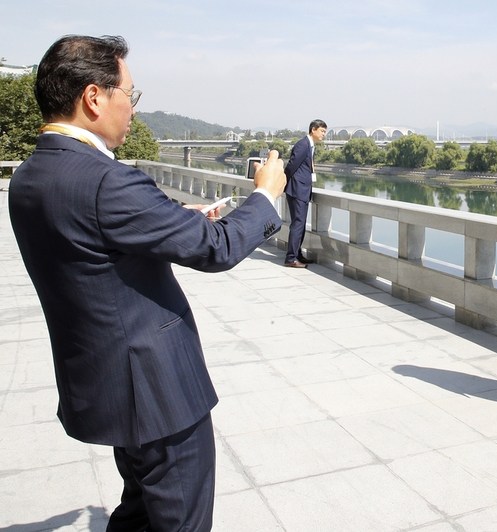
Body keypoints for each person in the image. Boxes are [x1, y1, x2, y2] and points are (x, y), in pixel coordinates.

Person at [8, 35, 286, 530]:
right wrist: (265, 197)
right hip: (158, 393)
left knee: (138, 511)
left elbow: (89, 244)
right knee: (179, 519)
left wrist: (167, 218)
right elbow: (216, 249)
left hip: (112, 385)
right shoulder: (105, 181)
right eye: (129, 95)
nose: (133, 109)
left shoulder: (31, 175)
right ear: (94, 97)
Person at [283, 119, 327, 267]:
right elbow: (291, 166)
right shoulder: (303, 145)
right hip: (297, 190)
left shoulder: (310, 145)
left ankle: (297, 254)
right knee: (298, 224)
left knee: (300, 224)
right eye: (322, 131)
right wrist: (285, 183)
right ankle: (291, 258)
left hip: (302, 190)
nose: (323, 135)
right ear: (313, 129)